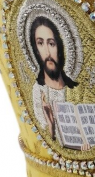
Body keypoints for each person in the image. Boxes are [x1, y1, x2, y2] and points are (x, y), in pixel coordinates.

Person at [29, 16, 90, 151]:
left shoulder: (77, 90)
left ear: (60, 47)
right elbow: (48, 140)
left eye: (51, 44)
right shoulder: (38, 91)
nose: (47, 52)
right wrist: (51, 125)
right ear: (35, 49)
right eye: (40, 43)